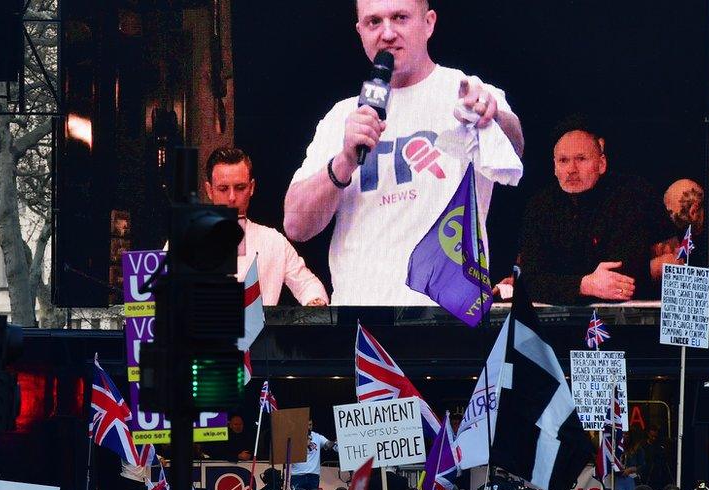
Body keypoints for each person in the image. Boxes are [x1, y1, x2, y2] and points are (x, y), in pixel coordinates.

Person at [284, 0, 524, 305]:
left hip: (447, 319)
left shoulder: (465, 90)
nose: (387, 33)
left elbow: (515, 148)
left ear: (429, 23)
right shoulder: (342, 116)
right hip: (363, 322)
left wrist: (493, 116)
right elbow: (295, 225)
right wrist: (344, 161)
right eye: (373, 22)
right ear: (360, 31)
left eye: (400, 18)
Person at [518, 116, 676, 305]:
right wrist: (585, 284)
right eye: (563, 160)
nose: (571, 169)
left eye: (581, 159)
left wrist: (560, 283)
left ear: (601, 164)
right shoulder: (540, 206)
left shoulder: (632, 195)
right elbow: (529, 280)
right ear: (554, 167)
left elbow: (623, 276)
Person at [204, 147, 329, 306]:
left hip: (259, 330)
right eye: (223, 189)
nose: (232, 197)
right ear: (209, 190)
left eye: (240, 188)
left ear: (252, 187)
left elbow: (308, 285)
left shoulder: (273, 241)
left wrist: (315, 302)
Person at [290, 420, 336, 490]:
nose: (309, 427)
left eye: (310, 425)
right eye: (307, 425)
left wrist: (335, 441)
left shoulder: (317, 437)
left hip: (313, 475)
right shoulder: (295, 436)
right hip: (298, 475)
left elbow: (328, 444)